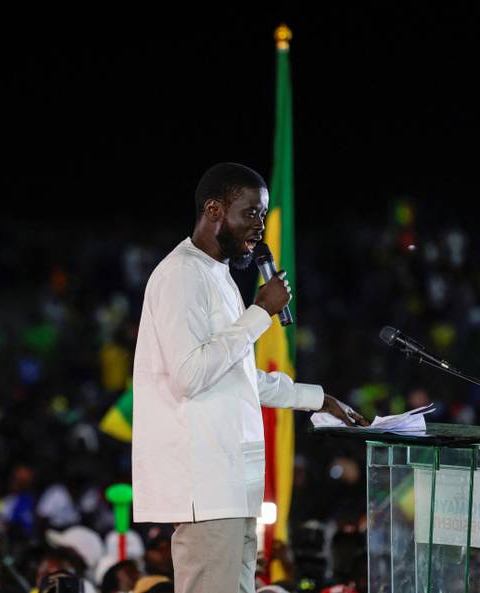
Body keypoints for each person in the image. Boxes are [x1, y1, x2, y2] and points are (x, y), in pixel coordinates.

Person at [131, 163, 367, 593]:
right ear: (214, 209)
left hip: (231, 487)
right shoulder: (181, 275)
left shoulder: (217, 275)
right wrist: (260, 313)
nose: (259, 227)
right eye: (252, 213)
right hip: (206, 489)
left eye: (264, 214)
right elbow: (190, 375)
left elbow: (236, 376)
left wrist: (318, 399)